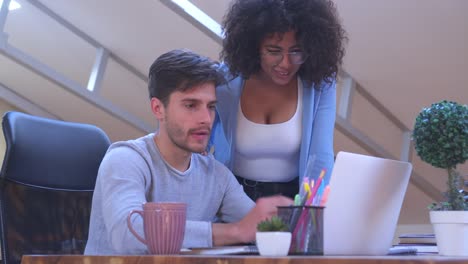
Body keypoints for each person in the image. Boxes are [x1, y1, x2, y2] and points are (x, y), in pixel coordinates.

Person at [84, 49, 293, 255]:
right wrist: (234, 231)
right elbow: (128, 235)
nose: (206, 118)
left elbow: (262, 227)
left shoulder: (217, 175)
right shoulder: (125, 159)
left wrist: (283, 221)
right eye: (191, 105)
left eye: (210, 106)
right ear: (158, 109)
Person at [209, 0, 347, 200]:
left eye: (296, 51)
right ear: (254, 46)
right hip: (230, 198)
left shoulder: (320, 85)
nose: (286, 64)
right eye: (274, 51)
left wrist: (311, 215)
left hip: (292, 200)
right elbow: (197, 147)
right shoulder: (224, 81)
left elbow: (321, 157)